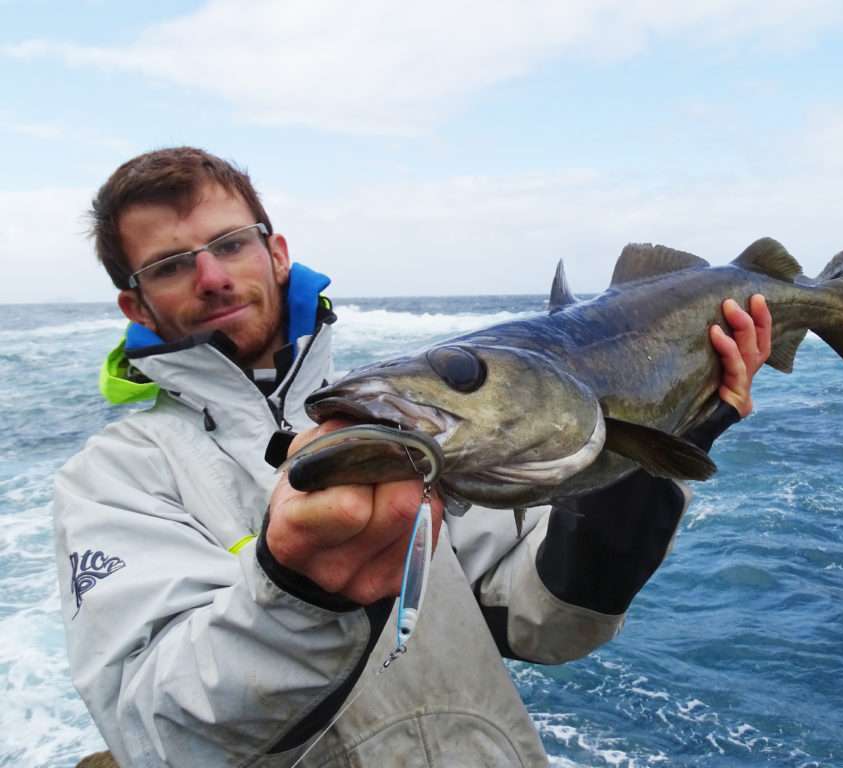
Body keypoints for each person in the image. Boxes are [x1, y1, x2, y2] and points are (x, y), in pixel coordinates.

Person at [54, 147, 772, 767]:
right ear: (135, 306)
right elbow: (159, 736)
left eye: (231, 244)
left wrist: (666, 441)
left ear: (276, 254)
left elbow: (548, 618)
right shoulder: (110, 483)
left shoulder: (425, 423)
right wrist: (298, 596)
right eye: (173, 264)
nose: (210, 275)